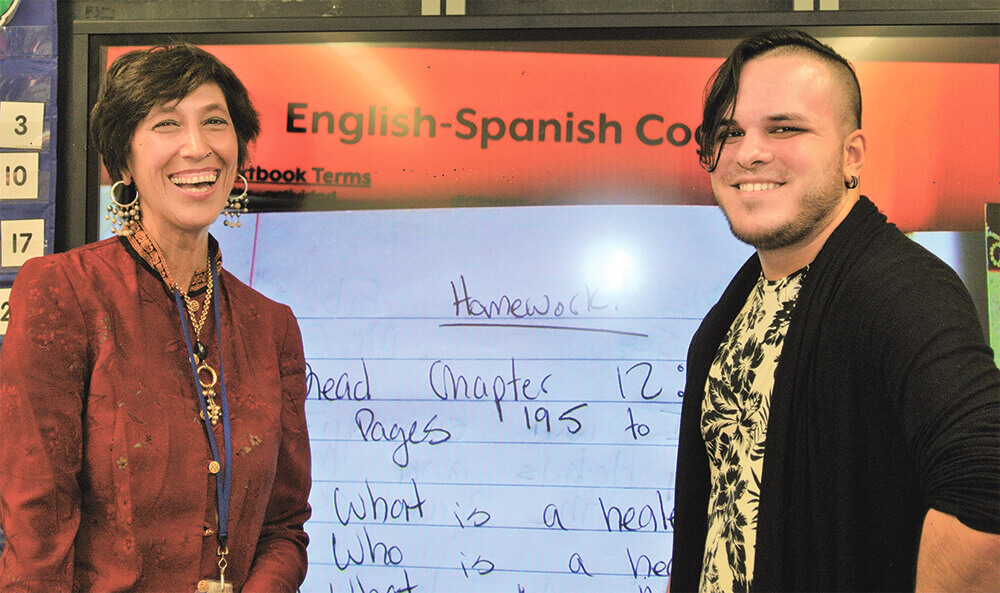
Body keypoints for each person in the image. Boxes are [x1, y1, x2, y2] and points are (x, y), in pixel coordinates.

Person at [670, 29, 1000, 592]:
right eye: (729, 132)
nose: (749, 152)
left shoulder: (900, 288)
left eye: (785, 128)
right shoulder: (739, 304)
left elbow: (987, 477)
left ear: (852, 155)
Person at [0, 44, 312, 592]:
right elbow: (37, 531)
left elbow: (283, 528)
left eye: (215, 122)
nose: (198, 147)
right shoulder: (64, 293)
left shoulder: (271, 326)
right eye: (167, 123)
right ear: (124, 161)